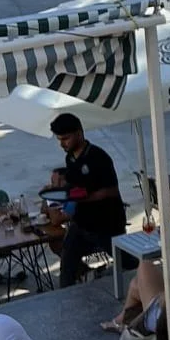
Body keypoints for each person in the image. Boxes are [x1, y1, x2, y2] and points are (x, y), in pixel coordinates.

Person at [48, 112, 126, 287]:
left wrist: (84, 199)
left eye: (65, 139)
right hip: (81, 223)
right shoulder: (70, 158)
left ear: (79, 133)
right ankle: (67, 296)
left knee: (125, 261)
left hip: (106, 224)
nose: (62, 144)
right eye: (59, 140)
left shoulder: (99, 157)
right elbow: (74, 188)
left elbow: (111, 191)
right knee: (67, 265)